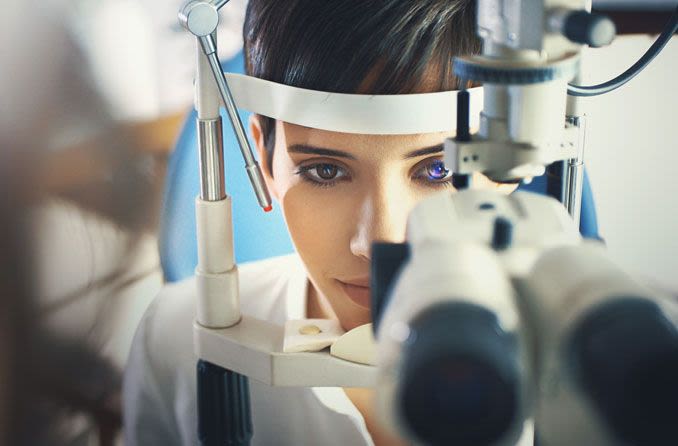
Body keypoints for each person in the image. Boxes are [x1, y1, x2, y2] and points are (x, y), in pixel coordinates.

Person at [123, 1, 521, 445]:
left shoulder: (585, 363)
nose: (376, 242)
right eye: (325, 171)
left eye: (438, 171)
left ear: (512, 164)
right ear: (265, 159)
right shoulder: (173, 338)